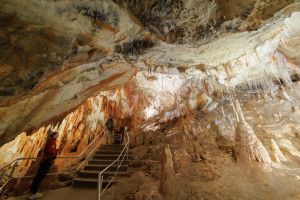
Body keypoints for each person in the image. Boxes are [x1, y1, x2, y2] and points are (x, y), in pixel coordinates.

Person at [28, 132, 59, 199]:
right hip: (47, 161)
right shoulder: (52, 142)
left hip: (44, 160)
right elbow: (51, 151)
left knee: (39, 176)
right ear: (54, 135)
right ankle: (33, 193)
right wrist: (55, 152)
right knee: (40, 176)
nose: (58, 136)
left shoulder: (49, 141)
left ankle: (33, 192)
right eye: (57, 135)